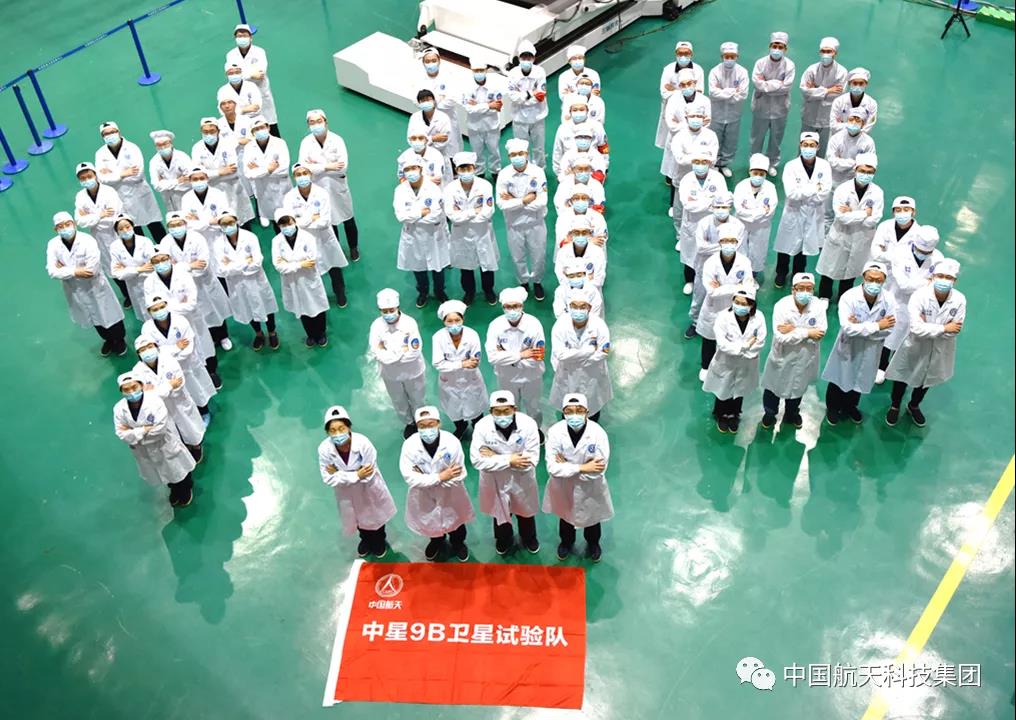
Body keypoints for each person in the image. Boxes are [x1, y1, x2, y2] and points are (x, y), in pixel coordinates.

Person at [885, 259, 965, 428]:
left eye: (948, 277)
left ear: (955, 281)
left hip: (940, 349)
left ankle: (913, 405)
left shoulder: (959, 300)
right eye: (940, 276)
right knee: (902, 376)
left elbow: (955, 330)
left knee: (927, 378)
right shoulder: (920, 296)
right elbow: (916, 329)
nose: (944, 280)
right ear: (933, 277)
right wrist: (944, 327)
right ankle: (895, 405)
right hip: (915, 346)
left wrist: (929, 327)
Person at [820, 262, 896, 425]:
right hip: (848, 347)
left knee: (860, 378)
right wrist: (877, 326)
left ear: (884, 280)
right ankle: (832, 408)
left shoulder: (889, 300)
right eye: (870, 279)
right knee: (839, 377)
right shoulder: (849, 297)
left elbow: (889, 329)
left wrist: (860, 327)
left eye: (878, 280)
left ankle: (850, 407)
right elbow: (848, 328)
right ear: (863, 277)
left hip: (871, 349)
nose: (874, 283)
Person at [319, 405, 398, 557]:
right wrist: (356, 475)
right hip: (346, 494)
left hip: (368, 489)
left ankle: (379, 541)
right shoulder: (324, 449)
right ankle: (365, 540)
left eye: (341, 428)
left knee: (375, 517)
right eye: (332, 430)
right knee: (357, 518)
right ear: (327, 432)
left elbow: (368, 474)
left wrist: (340, 474)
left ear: (349, 427)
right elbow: (328, 478)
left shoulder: (363, 443)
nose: (338, 434)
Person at [400, 406, 476, 562]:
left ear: (439, 423)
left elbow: (459, 474)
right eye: (422, 426)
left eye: (431, 424)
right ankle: (436, 542)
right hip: (424, 497)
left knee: (456, 525)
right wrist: (441, 477)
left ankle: (458, 544)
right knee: (431, 524)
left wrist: (425, 479)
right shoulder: (409, 446)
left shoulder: (452, 442)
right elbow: (410, 478)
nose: (427, 430)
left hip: (451, 494)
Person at [470, 390, 541, 555]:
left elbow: (530, 461)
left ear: (514, 409)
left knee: (525, 512)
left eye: (506, 411)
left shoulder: (528, 424)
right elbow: (477, 460)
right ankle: (503, 539)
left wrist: (494, 457)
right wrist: (510, 460)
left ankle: (528, 538)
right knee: (500, 512)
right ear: (491, 412)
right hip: (495, 482)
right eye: (498, 411)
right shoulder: (482, 427)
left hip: (521, 480)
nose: (502, 415)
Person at [47, 211, 126, 356]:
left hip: (95, 286)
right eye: (60, 226)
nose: (65, 228)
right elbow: (51, 271)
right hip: (75, 289)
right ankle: (108, 339)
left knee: (109, 315)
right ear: (55, 229)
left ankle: (119, 340)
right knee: (93, 316)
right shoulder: (53, 245)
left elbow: (91, 271)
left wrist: (64, 269)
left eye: (67, 224)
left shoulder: (87, 241)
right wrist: (75, 271)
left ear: (74, 224)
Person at [544, 393, 612, 562]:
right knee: (565, 517)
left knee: (592, 519)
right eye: (569, 411)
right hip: (564, 488)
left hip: (590, 488)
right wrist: (582, 467)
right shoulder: (555, 432)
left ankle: (593, 544)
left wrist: (566, 466)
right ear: (563, 412)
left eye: (579, 410)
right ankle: (566, 543)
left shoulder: (598, 434)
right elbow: (553, 468)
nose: (574, 415)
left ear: (587, 412)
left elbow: (598, 470)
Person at [113, 373, 196, 508]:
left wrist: (134, 434)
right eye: (126, 389)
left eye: (134, 387)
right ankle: (174, 489)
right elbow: (121, 434)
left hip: (164, 444)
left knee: (178, 470)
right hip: (145, 451)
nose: (131, 392)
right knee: (164, 472)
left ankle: (185, 488)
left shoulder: (155, 402)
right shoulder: (118, 409)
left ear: (141, 386)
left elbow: (159, 431)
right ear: (121, 391)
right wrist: (144, 429)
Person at [143, 254, 222, 390]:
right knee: (181, 353)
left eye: (163, 259)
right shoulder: (149, 282)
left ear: (169, 259)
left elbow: (191, 304)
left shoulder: (183, 274)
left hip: (192, 319)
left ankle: (211, 372)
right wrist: (178, 304)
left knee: (203, 346)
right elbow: (151, 307)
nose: (161, 263)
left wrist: (165, 306)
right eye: (156, 261)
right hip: (169, 324)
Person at [877, 225, 945, 384]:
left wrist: (927, 284)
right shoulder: (900, 253)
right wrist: (927, 282)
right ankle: (881, 366)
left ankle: (899, 368)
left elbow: (934, 286)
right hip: (898, 301)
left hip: (921, 306)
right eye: (920, 251)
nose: (923, 254)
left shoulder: (938, 259)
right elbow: (903, 285)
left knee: (909, 339)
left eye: (927, 253)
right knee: (890, 336)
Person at [760, 273, 828, 429]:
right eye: (801, 288)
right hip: (782, 356)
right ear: (793, 289)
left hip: (805, 357)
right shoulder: (782, 306)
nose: (805, 292)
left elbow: (820, 334)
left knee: (798, 387)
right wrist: (807, 332)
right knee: (773, 387)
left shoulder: (818, 307)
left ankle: (792, 413)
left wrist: (794, 330)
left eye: (809, 289)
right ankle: (769, 413)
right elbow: (781, 337)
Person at [816, 152, 884, 301]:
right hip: (841, 235)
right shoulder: (842, 189)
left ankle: (844, 299)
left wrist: (852, 212)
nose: (865, 175)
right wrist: (864, 213)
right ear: (855, 169)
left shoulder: (877, 193)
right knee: (829, 271)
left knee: (850, 273)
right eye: (862, 171)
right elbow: (841, 218)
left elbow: (874, 220)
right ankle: (824, 297)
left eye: (869, 172)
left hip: (861, 239)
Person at [161, 211, 233, 351]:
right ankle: (207, 340)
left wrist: (179, 267)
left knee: (214, 311)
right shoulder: (165, 243)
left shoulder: (197, 238)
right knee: (196, 316)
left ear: (185, 224)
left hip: (203, 283)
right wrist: (190, 266)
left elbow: (202, 266)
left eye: (179, 224)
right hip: (182, 286)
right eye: (172, 226)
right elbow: (167, 268)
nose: (176, 228)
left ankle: (222, 336)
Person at [139, 296, 217, 421]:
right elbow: (153, 351)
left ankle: (204, 412)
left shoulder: (180, 321)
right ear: (149, 311)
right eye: (155, 309)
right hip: (167, 368)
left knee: (196, 389)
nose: (159, 311)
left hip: (187, 364)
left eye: (162, 307)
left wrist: (167, 352)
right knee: (179, 396)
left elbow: (188, 347)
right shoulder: (147, 329)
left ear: (167, 306)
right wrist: (176, 347)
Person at [283, 163, 348, 307]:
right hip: (303, 241)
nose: (302, 177)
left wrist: (301, 221)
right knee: (311, 272)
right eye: (298, 175)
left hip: (324, 238)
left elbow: (325, 222)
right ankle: (318, 300)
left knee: (334, 267)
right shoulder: (289, 198)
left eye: (304, 173)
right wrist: (311, 218)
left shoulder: (322, 193)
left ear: (310, 175)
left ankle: (340, 293)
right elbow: (291, 224)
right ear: (293, 177)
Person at [298, 109, 360, 260]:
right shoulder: (306, 142)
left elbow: (343, 167)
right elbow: (303, 168)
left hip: (337, 185)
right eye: (312, 122)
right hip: (318, 187)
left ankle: (353, 248)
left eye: (319, 121)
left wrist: (316, 166)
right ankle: (336, 251)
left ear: (326, 122)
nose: (316, 125)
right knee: (329, 221)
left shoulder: (337, 140)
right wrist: (327, 166)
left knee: (348, 218)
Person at [213, 209, 279, 350]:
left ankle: (272, 332)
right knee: (247, 308)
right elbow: (221, 270)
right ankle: (258, 333)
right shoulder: (218, 244)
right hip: (237, 285)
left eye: (230, 222)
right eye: (224, 224)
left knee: (266, 305)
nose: (228, 226)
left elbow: (257, 263)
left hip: (256, 281)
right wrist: (244, 263)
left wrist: (232, 265)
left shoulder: (250, 237)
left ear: (236, 221)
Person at [703, 287, 767, 433]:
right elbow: (722, 344)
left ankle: (734, 414)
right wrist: (745, 347)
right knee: (723, 390)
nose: (739, 306)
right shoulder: (723, 317)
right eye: (736, 302)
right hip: (726, 362)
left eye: (744, 304)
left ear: (751, 304)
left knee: (739, 390)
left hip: (747, 362)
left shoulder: (759, 318)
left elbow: (760, 341)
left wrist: (742, 350)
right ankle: (721, 415)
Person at [772, 133, 832, 287]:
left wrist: (805, 193)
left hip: (814, 212)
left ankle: (798, 273)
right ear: (800, 146)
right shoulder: (791, 166)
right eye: (805, 145)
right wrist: (814, 189)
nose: (808, 148)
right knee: (786, 244)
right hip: (794, 212)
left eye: (812, 145)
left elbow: (825, 191)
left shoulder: (824, 166)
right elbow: (791, 194)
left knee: (804, 245)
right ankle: (781, 272)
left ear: (818, 147)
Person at [696, 228, 755, 382]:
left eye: (732, 241)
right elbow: (711, 292)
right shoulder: (711, 263)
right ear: (720, 242)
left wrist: (722, 287)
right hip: (714, 307)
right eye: (725, 241)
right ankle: (706, 365)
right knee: (709, 338)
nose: (729, 244)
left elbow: (749, 290)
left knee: (732, 337)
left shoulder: (744, 262)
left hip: (735, 307)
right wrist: (738, 287)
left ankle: (728, 367)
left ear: (737, 242)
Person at [133, 336, 205, 461]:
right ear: (138, 354)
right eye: (143, 349)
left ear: (156, 347)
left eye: (150, 347)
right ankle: (182, 451)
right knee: (172, 433)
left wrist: (156, 391)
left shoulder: (168, 360)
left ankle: (196, 446)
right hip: (160, 409)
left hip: (179, 401)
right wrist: (169, 385)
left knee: (189, 428)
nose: (147, 351)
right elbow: (146, 398)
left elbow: (179, 384)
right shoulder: (137, 372)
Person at [485, 286, 546, 430]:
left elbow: (536, 359)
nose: (512, 310)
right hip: (507, 377)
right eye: (508, 306)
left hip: (531, 376)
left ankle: (535, 430)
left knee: (533, 407)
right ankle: (515, 430)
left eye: (516, 306)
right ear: (503, 307)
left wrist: (505, 357)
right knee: (510, 407)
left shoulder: (534, 325)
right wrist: (521, 355)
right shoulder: (495, 326)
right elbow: (492, 357)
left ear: (522, 306)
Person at [393, 154, 450, 307]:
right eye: (407, 169)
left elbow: (435, 215)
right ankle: (423, 292)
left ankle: (440, 291)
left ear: (420, 168)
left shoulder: (433, 188)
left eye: (413, 168)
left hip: (433, 234)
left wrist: (413, 216)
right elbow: (401, 216)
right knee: (418, 267)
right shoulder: (400, 191)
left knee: (438, 267)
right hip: (413, 236)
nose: (411, 172)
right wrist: (421, 213)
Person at [369, 289, 427, 438]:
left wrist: (388, 353)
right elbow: (375, 351)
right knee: (398, 400)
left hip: (413, 371)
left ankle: (420, 421)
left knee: (418, 398)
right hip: (390, 374)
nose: (388, 314)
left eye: (391, 310)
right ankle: (409, 423)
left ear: (398, 308)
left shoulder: (409, 323)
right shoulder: (376, 326)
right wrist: (400, 353)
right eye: (385, 311)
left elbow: (414, 352)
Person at [687, 192, 746, 337]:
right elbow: (701, 247)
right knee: (700, 296)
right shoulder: (704, 223)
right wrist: (725, 246)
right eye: (718, 206)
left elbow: (737, 249)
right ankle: (695, 322)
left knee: (727, 300)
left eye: (724, 207)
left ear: (730, 208)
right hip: (705, 267)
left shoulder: (738, 225)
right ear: (712, 207)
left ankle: (727, 326)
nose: (721, 210)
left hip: (729, 268)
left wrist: (714, 247)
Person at [496, 139, 549, 299]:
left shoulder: (537, 172)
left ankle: (537, 281)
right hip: (514, 225)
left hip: (536, 223)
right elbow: (501, 204)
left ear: (526, 154)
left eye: (520, 153)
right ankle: (523, 281)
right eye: (513, 154)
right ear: (509, 156)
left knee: (538, 255)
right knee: (517, 257)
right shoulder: (504, 175)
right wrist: (525, 200)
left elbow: (542, 201)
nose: (517, 157)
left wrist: (514, 200)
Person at [549, 287, 613, 420]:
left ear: (589, 308)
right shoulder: (560, 325)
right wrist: (588, 351)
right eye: (574, 306)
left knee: (592, 401)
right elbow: (560, 354)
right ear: (569, 307)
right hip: (568, 373)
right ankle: (568, 415)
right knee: (569, 399)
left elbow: (603, 352)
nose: (578, 310)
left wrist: (577, 359)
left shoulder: (599, 325)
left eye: (582, 306)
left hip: (592, 372)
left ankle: (592, 417)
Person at [444, 152, 499, 305]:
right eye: (462, 168)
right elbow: (452, 215)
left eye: (468, 168)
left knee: (486, 265)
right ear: (457, 170)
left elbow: (488, 211)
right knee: (465, 267)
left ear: (474, 168)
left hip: (482, 232)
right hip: (461, 235)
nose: (466, 171)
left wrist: (464, 215)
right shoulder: (449, 189)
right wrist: (473, 212)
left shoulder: (485, 186)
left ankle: (488, 290)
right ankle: (469, 292)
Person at [95, 122, 165, 240]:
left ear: (118, 132)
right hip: (119, 196)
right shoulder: (100, 154)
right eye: (106, 134)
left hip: (139, 193)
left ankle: (164, 248)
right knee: (131, 228)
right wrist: (123, 173)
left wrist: (112, 174)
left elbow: (137, 174)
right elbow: (102, 179)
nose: (110, 135)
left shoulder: (132, 148)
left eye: (112, 132)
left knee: (154, 225)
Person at [271, 209, 328, 347]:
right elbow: (278, 266)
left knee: (317, 307)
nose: (287, 227)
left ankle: (321, 333)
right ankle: (310, 334)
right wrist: (300, 264)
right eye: (283, 225)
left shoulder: (307, 237)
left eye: (289, 223)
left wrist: (288, 263)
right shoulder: (276, 241)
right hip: (292, 282)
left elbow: (312, 260)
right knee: (302, 309)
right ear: (279, 226)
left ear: (294, 221)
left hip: (309, 279)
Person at [432, 299, 488, 438]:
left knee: (476, 409)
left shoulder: (472, 335)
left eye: (457, 320)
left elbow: (474, 362)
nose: (454, 324)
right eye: (449, 321)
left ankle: (478, 429)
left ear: (463, 319)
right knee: (454, 410)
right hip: (449, 382)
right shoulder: (438, 337)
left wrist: (451, 365)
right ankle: (461, 427)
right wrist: (461, 364)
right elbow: (438, 363)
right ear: (444, 322)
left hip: (471, 379)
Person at [675, 148, 727, 290]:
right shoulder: (686, 180)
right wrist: (709, 202)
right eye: (697, 161)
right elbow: (688, 205)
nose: (700, 165)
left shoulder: (718, 179)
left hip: (713, 224)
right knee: (690, 254)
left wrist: (699, 201)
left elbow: (721, 202)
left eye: (704, 162)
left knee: (712, 255)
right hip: (692, 224)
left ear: (709, 163)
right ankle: (689, 281)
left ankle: (711, 281)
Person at [192, 117, 254, 229]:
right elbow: (198, 174)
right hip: (213, 190)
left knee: (242, 222)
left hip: (233, 186)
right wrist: (220, 172)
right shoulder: (197, 148)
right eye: (205, 132)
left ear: (218, 131)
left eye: (212, 131)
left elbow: (233, 170)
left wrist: (209, 174)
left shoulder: (228, 143)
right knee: (221, 223)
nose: (209, 135)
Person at [74, 161, 125, 297]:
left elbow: (112, 218)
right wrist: (99, 215)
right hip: (99, 237)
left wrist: (91, 218)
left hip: (116, 233)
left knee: (125, 260)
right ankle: (126, 294)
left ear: (95, 175)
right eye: (83, 178)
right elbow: (80, 221)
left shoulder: (109, 192)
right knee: (110, 266)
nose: (87, 180)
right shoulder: (80, 197)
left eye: (89, 176)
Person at [749, 32, 796, 176]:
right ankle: (755, 163)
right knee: (757, 138)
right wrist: (777, 84)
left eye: (780, 47)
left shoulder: (789, 65)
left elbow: (786, 87)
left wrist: (766, 84)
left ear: (785, 49)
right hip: (761, 107)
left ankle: (772, 163)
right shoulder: (760, 63)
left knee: (776, 138)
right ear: (770, 46)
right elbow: (757, 84)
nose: (777, 49)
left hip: (780, 109)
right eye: (775, 46)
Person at [660, 69, 710, 196]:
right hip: (677, 140)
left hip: (697, 141)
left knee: (694, 172)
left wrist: (681, 124)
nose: (686, 87)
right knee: (675, 173)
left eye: (689, 83)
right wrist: (694, 124)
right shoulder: (673, 99)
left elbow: (707, 122)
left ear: (694, 83)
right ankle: (673, 200)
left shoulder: (704, 100)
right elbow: (671, 124)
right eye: (683, 85)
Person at [227, 24, 279, 135]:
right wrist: (251, 74)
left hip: (261, 94)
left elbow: (260, 73)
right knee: (247, 132)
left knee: (270, 129)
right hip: (243, 98)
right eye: (239, 36)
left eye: (244, 35)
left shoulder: (259, 52)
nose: (242, 38)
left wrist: (241, 72)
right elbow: (232, 74)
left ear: (251, 37)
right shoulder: (231, 55)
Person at [707, 42, 749, 178]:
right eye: (727, 56)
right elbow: (713, 93)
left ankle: (724, 164)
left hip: (734, 114)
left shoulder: (742, 72)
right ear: (722, 57)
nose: (729, 59)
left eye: (732, 56)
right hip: (716, 113)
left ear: (737, 57)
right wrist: (732, 91)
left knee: (730, 141)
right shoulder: (715, 72)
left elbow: (743, 95)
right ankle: (713, 164)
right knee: (715, 139)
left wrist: (723, 92)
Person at [798, 37, 847, 154]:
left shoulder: (842, 72)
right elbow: (805, 92)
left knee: (823, 149)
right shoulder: (811, 70)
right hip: (809, 115)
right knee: (804, 147)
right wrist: (828, 90)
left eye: (829, 51)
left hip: (827, 118)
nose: (826, 54)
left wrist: (815, 90)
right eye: (823, 51)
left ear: (835, 53)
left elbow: (838, 96)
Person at [656, 40, 705, 156]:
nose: (683, 56)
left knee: (690, 142)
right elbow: (664, 92)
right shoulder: (668, 69)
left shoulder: (698, 70)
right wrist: (687, 91)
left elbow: (699, 92)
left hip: (691, 111)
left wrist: (674, 89)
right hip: (672, 110)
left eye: (686, 53)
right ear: (676, 54)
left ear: (691, 54)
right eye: (680, 53)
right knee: (671, 141)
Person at [733, 153, 779, 277]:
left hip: (761, 226)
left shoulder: (770, 188)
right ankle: (739, 274)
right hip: (742, 224)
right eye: (755, 173)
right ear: (750, 172)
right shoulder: (741, 186)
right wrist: (760, 212)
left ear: (765, 174)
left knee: (758, 250)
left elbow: (770, 211)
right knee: (740, 248)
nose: (758, 176)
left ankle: (753, 275)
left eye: (761, 174)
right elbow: (739, 210)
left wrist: (751, 213)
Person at [242, 116, 290, 229]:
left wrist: (259, 169)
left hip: (282, 189)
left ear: (268, 127)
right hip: (263, 191)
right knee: (274, 223)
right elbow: (248, 173)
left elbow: (284, 169)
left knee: (288, 220)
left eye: (262, 127)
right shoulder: (249, 147)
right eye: (256, 129)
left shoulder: (280, 143)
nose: (260, 131)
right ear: (252, 132)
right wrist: (268, 169)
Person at [506, 40, 548, 167]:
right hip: (519, 117)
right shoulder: (512, 74)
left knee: (539, 146)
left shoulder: (540, 72)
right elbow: (513, 96)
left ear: (533, 58)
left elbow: (540, 95)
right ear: (519, 59)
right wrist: (530, 94)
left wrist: (523, 97)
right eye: (523, 57)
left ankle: (540, 168)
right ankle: (524, 168)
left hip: (538, 115)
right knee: (521, 146)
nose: (526, 60)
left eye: (529, 57)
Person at [418, 47, 463, 165]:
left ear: (439, 61)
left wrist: (432, 104)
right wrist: (439, 99)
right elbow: (415, 99)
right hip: (428, 120)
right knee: (431, 151)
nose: (431, 64)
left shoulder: (448, 77)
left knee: (451, 148)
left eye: (433, 60)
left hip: (448, 118)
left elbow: (453, 99)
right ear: (423, 63)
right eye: (427, 61)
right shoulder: (419, 80)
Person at [461, 58, 503, 177]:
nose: (479, 73)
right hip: (474, 127)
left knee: (494, 150)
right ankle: (479, 172)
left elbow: (497, 106)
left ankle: (496, 171)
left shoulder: (495, 86)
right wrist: (488, 105)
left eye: (481, 70)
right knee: (477, 152)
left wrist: (478, 107)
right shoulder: (466, 87)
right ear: (472, 71)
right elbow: (469, 109)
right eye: (476, 70)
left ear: (486, 70)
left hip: (492, 125)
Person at [216, 92, 255, 215]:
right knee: (238, 191)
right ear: (220, 107)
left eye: (230, 102)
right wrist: (239, 141)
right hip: (230, 162)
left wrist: (240, 141)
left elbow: (254, 138)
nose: (227, 106)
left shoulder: (246, 120)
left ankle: (259, 214)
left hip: (248, 157)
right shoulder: (218, 125)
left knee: (254, 187)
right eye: (223, 104)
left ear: (235, 104)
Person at [109, 215, 156, 319]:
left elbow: (152, 266)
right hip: (133, 286)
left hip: (150, 282)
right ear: (117, 232)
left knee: (156, 309)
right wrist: (139, 269)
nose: (125, 230)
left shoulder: (145, 241)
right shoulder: (115, 247)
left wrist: (126, 270)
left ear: (133, 226)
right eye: (121, 229)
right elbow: (116, 273)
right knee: (144, 314)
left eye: (127, 226)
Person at [552, 95, 609, 177]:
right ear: (570, 111)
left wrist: (604, 168)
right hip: (569, 172)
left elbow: (603, 147)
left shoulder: (597, 126)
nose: (578, 112)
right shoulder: (563, 128)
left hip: (592, 171)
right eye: (575, 110)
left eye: (582, 109)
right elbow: (557, 151)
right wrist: (559, 173)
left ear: (587, 110)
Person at [667, 104, 719, 192]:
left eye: (699, 116)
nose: (696, 119)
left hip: (705, 178)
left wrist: (689, 156)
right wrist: (703, 155)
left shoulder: (711, 135)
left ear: (703, 118)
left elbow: (713, 159)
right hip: (682, 176)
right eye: (692, 116)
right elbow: (680, 159)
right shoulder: (679, 136)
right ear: (686, 118)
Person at [408, 89, 454, 181]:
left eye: (428, 99)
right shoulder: (415, 118)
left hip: (440, 156)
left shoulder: (443, 118)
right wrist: (433, 139)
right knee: (423, 183)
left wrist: (423, 142)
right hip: (420, 158)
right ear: (419, 103)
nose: (426, 102)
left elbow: (444, 141)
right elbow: (411, 140)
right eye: (423, 100)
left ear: (434, 100)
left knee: (442, 183)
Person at [554, 186, 608, 260]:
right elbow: (562, 241)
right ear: (571, 200)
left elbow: (601, 239)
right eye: (576, 198)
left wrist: (574, 241)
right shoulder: (563, 217)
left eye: (584, 198)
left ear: (589, 200)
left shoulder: (598, 217)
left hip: (593, 257)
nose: (580, 201)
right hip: (568, 257)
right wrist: (590, 241)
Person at [869, 196, 920, 273]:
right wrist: (899, 257)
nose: (902, 213)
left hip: (905, 273)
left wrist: (885, 253)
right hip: (881, 271)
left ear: (913, 212)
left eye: (906, 210)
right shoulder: (884, 226)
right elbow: (875, 253)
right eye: (898, 210)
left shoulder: (919, 233)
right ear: (893, 213)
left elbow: (915, 260)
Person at [554, 215, 607, 289]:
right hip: (568, 292)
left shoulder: (598, 253)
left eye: (584, 232)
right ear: (570, 234)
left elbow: (599, 279)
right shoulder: (562, 253)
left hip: (592, 293)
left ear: (590, 234)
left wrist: (583, 290)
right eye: (576, 232)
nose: (580, 235)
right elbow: (560, 275)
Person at [148, 130, 192, 212]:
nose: (162, 147)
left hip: (186, 196)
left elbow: (190, 179)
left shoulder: (182, 157)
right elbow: (156, 185)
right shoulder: (153, 162)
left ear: (171, 143)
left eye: (165, 144)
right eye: (159, 145)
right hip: (168, 200)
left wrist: (164, 183)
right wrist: (177, 181)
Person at [179, 166, 230, 236]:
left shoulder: (218, 194)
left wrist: (199, 220)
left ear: (207, 178)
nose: (199, 181)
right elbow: (189, 224)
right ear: (190, 181)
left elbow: (224, 218)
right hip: (198, 236)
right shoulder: (186, 198)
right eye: (195, 179)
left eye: (202, 178)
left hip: (218, 235)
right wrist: (210, 222)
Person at [830, 68, 878, 133]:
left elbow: (869, 126)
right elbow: (833, 125)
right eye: (855, 83)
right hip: (839, 137)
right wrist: (857, 126)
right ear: (849, 83)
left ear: (866, 84)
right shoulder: (839, 101)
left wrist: (843, 125)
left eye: (861, 83)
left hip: (861, 138)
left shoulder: (872, 103)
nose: (858, 86)